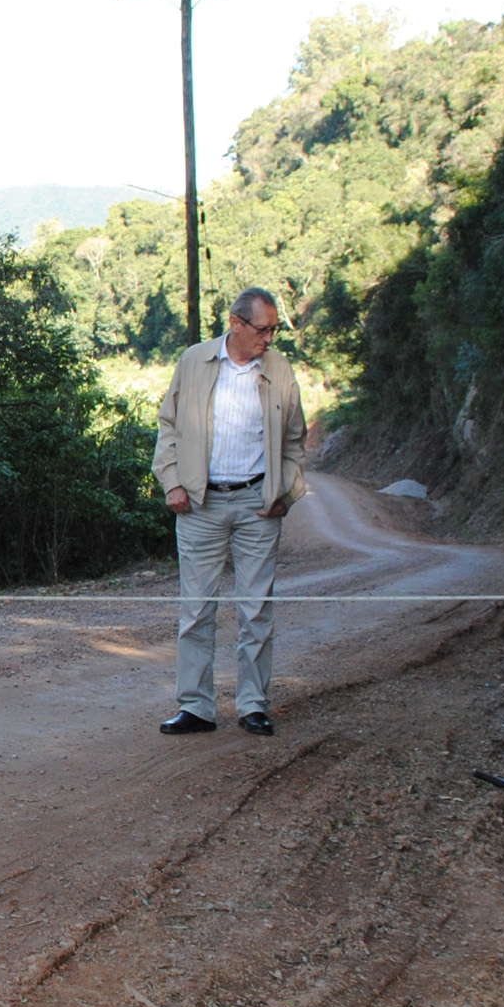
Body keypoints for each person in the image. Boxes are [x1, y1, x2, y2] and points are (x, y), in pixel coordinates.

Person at [152, 288, 309, 737]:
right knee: (197, 608)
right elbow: (168, 425)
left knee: (256, 609)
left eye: (274, 330)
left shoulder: (279, 369)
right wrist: (173, 482)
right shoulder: (195, 361)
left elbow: (295, 440)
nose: (269, 338)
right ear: (235, 324)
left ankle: (253, 705)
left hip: (258, 505)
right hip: (199, 503)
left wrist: (285, 493)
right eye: (263, 330)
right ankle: (196, 708)